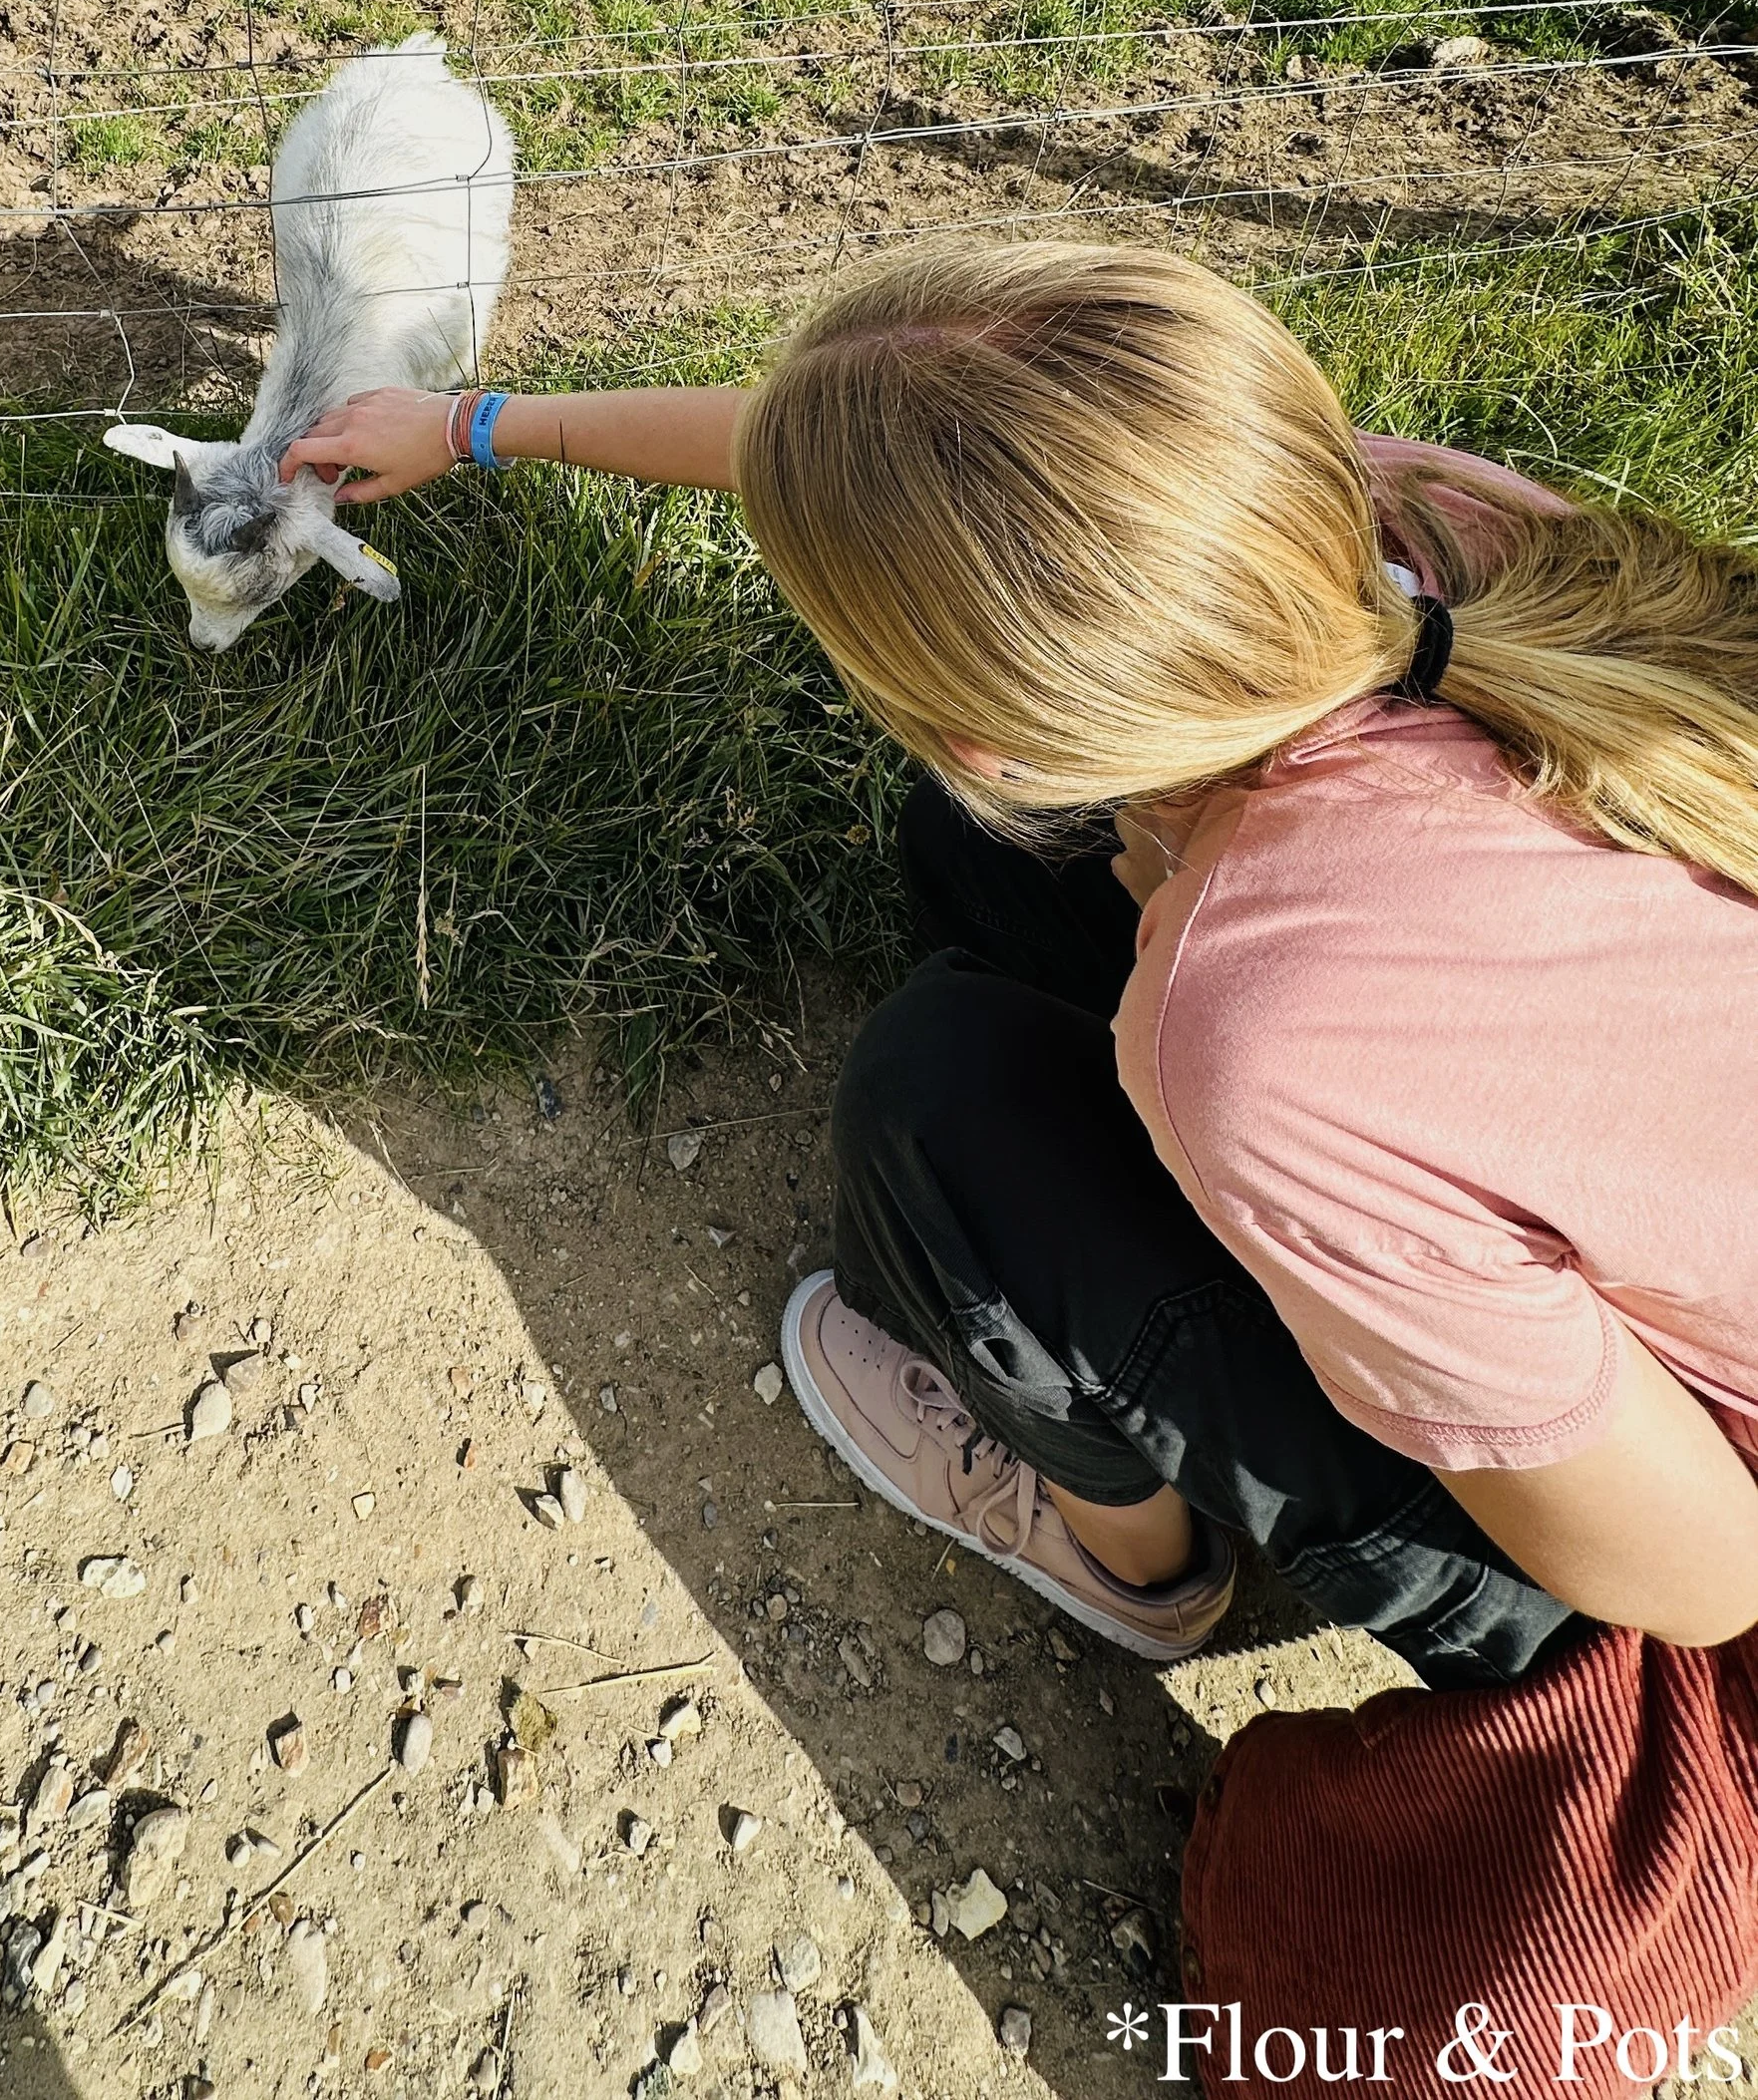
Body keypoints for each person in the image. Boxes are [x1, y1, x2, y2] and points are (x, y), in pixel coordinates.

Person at [280, 236, 1758, 1693]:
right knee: (978, 851)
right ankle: (1137, 1231)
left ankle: (1134, 1562)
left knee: (936, 1110)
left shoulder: (1254, 1037)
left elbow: (1701, 1581)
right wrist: (480, 427)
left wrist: (1267, 1138)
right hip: (1577, 1190)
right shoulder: (1412, 521)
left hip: (1656, 1523)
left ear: (997, 735)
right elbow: (879, 470)